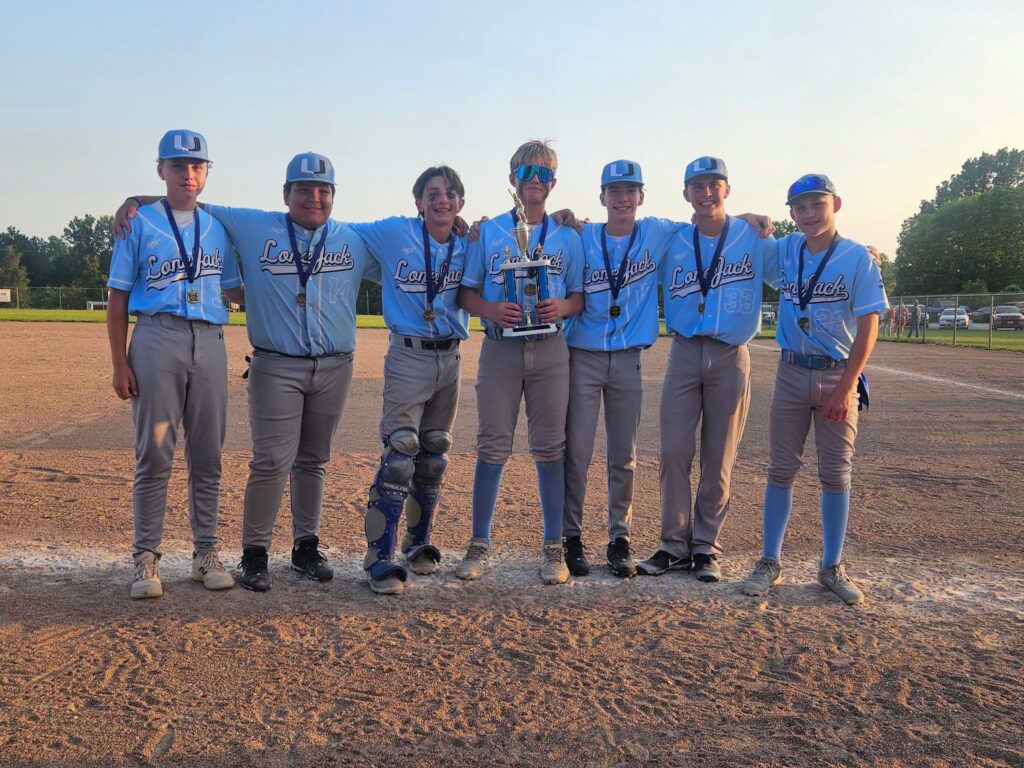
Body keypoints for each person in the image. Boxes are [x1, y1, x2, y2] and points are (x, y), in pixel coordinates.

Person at [115, 152, 379, 592]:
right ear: (286, 194)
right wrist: (135, 200)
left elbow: (416, 244)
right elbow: (189, 199)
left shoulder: (355, 237)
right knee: (270, 461)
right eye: (303, 189)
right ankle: (254, 553)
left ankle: (305, 547)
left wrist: (462, 226)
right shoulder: (254, 224)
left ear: (334, 195)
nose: (313, 198)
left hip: (335, 364)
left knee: (313, 459)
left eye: (323, 190)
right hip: (274, 362)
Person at [107, 129, 243, 599]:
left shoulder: (219, 225)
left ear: (206, 172)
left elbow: (234, 289)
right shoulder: (138, 222)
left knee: (208, 454)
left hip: (211, 339)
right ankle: (145, 557)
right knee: (155, 453)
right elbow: (118, 297)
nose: (188, 173)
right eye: (178, 165)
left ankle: (206, 552)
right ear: (160, 169)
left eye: (197, 165)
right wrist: (119, 362)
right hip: (156, 337)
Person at [743, 174, 888, 606]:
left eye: (816, 205)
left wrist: (846, 388)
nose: (808, 214)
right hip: (790, 370)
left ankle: (832, 566)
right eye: (799, 207)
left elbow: (869, 328)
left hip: (836, 374)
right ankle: (770, 560)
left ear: (835, 204)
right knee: (780, 469)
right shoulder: (787, 249)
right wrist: (750, 217)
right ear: (791, 213)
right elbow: (731, 230)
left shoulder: (857, 258)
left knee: (836, 472)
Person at [636, 156, 780, 583]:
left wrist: (858, 253)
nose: (706, 192)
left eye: (714, 184)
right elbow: (626, 239)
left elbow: (797, 265)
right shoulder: (674, 240)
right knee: (674, 452)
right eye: (697, 186)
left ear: (727, 190)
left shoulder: (753, 236)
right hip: (683, 352)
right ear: (686, 194)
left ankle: (705, 547)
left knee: (719, 457)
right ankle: (673, 545)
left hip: (731, 353)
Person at [455, 139, 584, 585]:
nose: (534, 181)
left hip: (551, 349)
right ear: (512, 178)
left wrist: (563, 307)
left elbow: (579, 295)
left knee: (550, 447)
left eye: (543, 174)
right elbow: (466, 293)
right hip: (500, 348)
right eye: (526, 172)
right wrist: (489, 309)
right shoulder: (488, 231)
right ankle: (479, 543)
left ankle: (553, 546)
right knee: (492, 445)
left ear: (553, 182)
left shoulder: (568, 235)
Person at [349, 166, 469, 595]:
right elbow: (339, 231)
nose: (442, 200)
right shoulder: (394, 232)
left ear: (460, 203)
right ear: (418, 202)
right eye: (432, 193)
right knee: (401, 453)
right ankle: (379, 556)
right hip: (408, 353)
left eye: (450, 193)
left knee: (435, 451)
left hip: (450, 356)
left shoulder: (468, 242)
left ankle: (417, 543)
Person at [561, 160, 682, 578]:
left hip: (629, 359)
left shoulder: (658, 231)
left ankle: (620, 538)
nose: (623, 198)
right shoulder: (583, 235)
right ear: (602, 197)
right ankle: (571, 537)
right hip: (584, 357)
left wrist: (750, 218)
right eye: (614, 191)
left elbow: (708, 222)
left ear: (641, 196)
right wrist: (561, 216)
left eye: (630, 190)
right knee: (577, 452)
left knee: (624, 455)